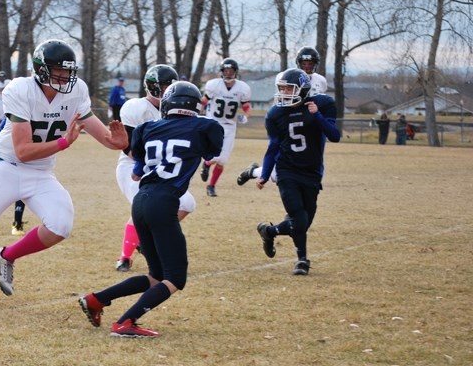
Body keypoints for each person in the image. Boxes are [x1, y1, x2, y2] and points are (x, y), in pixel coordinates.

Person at [0, 39, 128, 313]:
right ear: (41, 70)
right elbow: (22, 151)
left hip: (41, 172)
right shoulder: (20, 89)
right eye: (58, 71)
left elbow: (103, 134)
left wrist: (119, 142)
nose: (65, 77)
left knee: (60, 225)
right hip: (6, 167)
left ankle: (7, 256)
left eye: (68, 71)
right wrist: (64, 143)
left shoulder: (76, 90)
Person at [79, 81, 224, 337]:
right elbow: (212, 152)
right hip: (164, 202)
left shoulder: (148, 128)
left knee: (157, 275)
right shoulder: (206, 127)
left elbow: (136, 175)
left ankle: (96, 299)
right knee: (176, 277)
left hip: (141, 201)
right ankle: (126, 321)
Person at [254, 68, 341, 275]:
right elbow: (273, 146)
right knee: (298, 219)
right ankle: (302, 260)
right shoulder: (275, 114)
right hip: (287, 171)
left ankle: (269, 231)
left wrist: (317, 115)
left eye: (288, 88)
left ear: (302, 89)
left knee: (303, 222)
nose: (283, 92)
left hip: (312, 172)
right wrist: (265, 175)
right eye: (281, 88)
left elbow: (335, 135)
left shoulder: (322, 104)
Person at [113, 64, 197, 272]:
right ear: (151, 86)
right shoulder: (136, 108)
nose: (166, 90)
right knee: (143, 207)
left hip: (160, 168)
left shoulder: (175, 110)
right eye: (162, 86)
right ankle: (125, 257)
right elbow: (130, 149)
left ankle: (145, 238)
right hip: (133, 166)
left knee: (187, 203)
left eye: (170, 86)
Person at [236, 46, 328, 187]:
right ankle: (254, 172)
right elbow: (281, 102)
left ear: (316, 64)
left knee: (311, 157)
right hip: (289, 121)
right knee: (280, 169)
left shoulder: (320, 81)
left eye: (310, 64)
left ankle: (254, 172)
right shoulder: (285, 76)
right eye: (304, 64)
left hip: (309, 124)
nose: (307, 67)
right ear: (298, 63)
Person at [199, 58, 251, 196]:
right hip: (214, 124)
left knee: (223, 160)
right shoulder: (214, 85)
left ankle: (211, 185)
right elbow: (204, 100)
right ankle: (207, 164)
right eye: (226, 70)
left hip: (230, 126)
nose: (228, 73)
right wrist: (198, 110)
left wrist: (246, 115)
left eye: (231, 70)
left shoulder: (242, 88)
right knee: (215, 155)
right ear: (222, 72)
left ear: (235, 72)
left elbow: (246, 105)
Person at [0, 116, 28, 236]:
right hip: (8, 159)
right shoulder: (12, 114)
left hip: (25, 159)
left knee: (22, 190)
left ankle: (17, 222)